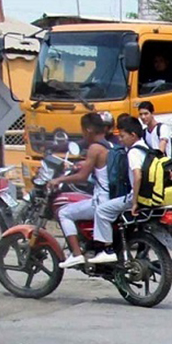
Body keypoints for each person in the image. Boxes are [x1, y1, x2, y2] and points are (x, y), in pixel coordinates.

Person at [49, 112, 112, 268]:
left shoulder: (94, 148)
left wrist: (59, 179)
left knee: (64, 212)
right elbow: (97, 167)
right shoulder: (109, 146)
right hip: (113, 197)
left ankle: (76, 254)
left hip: (101, 200)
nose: (83, 135)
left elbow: (82, 177)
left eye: (83, 130)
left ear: (89, 130)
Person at [90, 115, 148, 264]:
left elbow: (138, 176)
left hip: (134, 197)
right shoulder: (146, 148)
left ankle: (107, 249)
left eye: (122, 136)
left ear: (133, 135)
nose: (120, 140)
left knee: (101, 210)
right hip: (147, 196)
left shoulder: (134, 152)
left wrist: (134, 201)